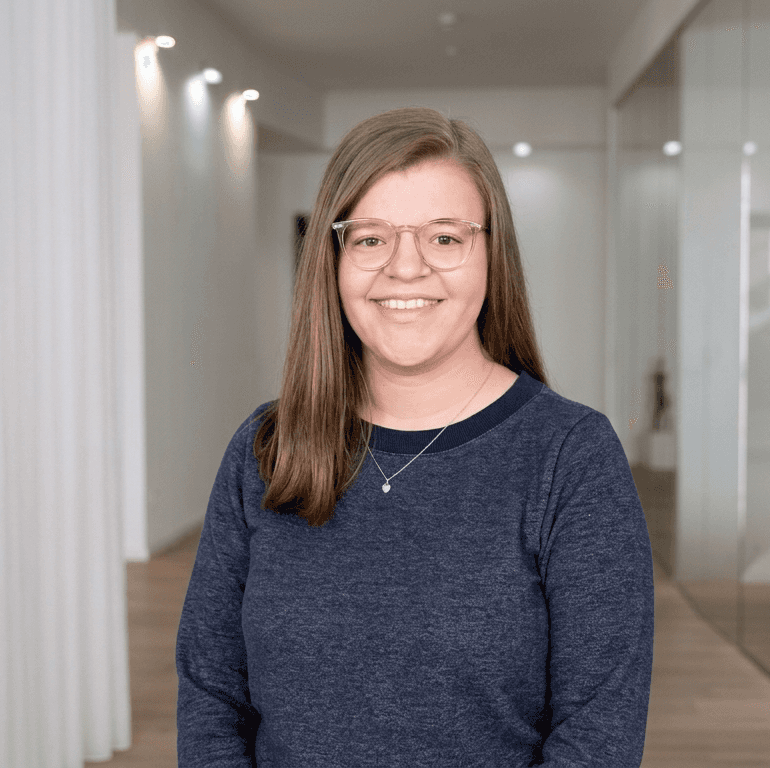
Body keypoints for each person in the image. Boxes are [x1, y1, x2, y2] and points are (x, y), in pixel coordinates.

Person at [175, 106, 655, 767]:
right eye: (371, 238)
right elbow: (210, 696)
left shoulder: (570, 455)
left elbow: (599, 731)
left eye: (444, 238)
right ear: (333, 259)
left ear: (491, 254)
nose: (406, 269)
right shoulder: (264, 448)